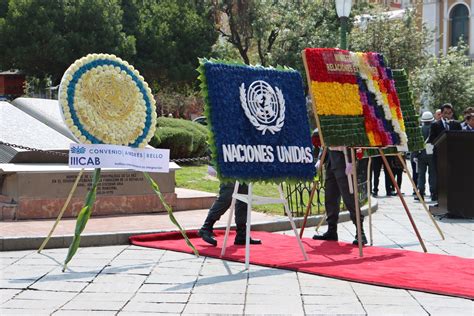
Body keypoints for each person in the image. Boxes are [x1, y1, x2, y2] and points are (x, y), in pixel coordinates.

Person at [313, 147, 367, 245]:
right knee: (330, 197)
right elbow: (324, 141)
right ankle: (332, 230)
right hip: (330, 159)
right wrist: (321, 159)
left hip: (343, 159)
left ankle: (360, 232)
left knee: (350, 199)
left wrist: (351, 161)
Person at [197, 180, 262, 246]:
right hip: (230, 171)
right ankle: (206, 228)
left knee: (244, 199)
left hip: (245, 172)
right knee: (226, 197)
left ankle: (242, 235)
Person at [428, 103, 462, 202]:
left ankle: (453, 196)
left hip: (452, 155)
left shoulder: (456, 124)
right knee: (440, 176)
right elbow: (432, 139)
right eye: (445, 113)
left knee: (452, 175)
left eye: (450, 113)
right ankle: (439, 197)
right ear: (441, 114)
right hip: (439, 155)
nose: (448, 115)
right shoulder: (435, 124)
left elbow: (460, 138)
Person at [413, 111, 436, 201]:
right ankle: (433, 193)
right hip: (431, 154)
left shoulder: (419, 130)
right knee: (433, 174)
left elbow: (416, 143)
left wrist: (415, 155)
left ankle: (421, 193)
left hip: (420, 154)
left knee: (421, 175)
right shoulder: (434, 128)